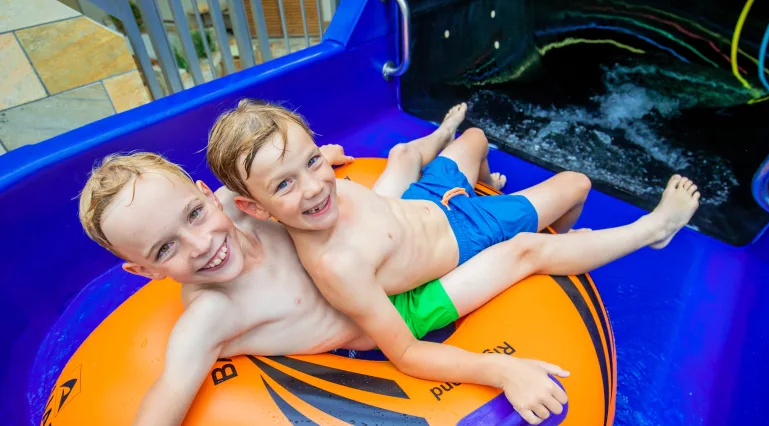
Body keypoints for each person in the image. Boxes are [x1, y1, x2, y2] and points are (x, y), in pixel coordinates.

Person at [207, 98, 700, 424]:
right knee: (576, 185)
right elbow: (406, 353)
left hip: (429, 200)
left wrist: (312, 161)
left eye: (312, 162)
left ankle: (498, 185)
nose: (314, 187)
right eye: (285, 185)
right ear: (257, 206)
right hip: (466, 233)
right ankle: (647, 232)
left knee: (475, 138)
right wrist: (502, 371)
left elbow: (230, 195)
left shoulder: (310, 191)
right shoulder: (338, 264)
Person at [78, 110, 567, 426]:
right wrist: (500, 368)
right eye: (165, 250)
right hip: (398, 309)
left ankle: (456, 156)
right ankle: (560, 237)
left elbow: (269, 172)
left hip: (378, 252)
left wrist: (325, 157)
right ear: (143, 271)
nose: (203, 243)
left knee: (442, 148)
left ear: (208, 195)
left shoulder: (237, 203)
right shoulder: (210, 318)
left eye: (194, 214)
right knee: (522, 249)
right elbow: (162, 404)